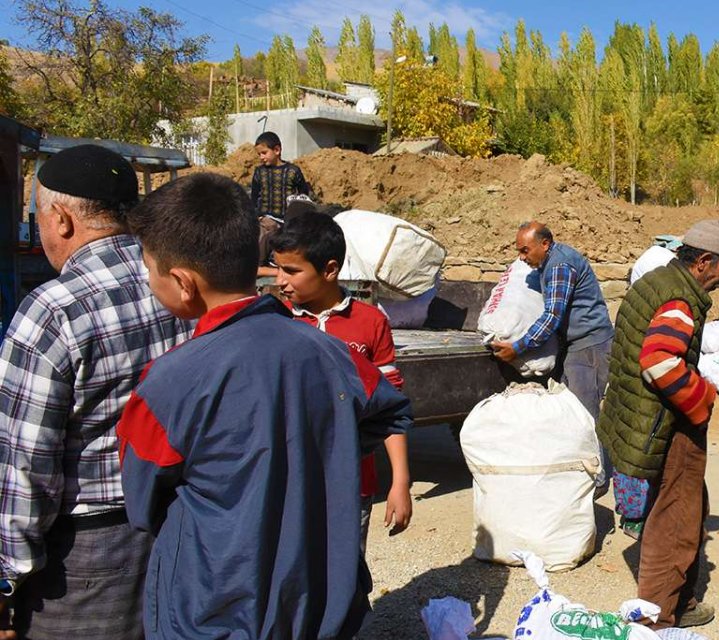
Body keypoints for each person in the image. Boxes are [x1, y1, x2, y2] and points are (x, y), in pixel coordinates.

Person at [116, 173, 413, 639]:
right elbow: (391, 409)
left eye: (149, 269)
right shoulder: (332, 355)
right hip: (318, 606)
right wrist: (322, 455)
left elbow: (142, 502)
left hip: (215, 609)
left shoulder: (169, 382)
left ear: (182, 282)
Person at [0, 144, 191, 639]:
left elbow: (24, 464)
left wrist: (8, 576)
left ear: (61, 218)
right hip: (177, 527)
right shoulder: (183, 286)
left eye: (38, 217)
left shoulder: (54, 309)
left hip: (84, 561)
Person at [596, 219, 719, 629]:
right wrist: (703, 400)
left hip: (646, 416)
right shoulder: (679, 299)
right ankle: (657, 618)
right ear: (703, 262)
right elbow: (659, 361)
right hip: (667, 422)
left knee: (687, 509)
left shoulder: (658, 278)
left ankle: (681, 599)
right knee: (675, 520)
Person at [270, 211, 413, 545]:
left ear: (330, 270)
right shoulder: (273, 321)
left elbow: (388, 409)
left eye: (291, 271)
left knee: (346, 575)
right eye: (277, 268)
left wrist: (400, 481)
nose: (279, 280)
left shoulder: (370, 322)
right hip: (287, 485)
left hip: (352, 483)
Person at [490, 222, 614, 418]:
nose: (521, 258)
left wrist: (518, 347)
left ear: (545, 244)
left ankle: (596, 449)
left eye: (525, 251)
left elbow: (552, 316)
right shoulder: (547, 263)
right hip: (574, 344)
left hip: (589, 347)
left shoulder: (560, 266)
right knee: (567, 411)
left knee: (583, 415)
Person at [250, 132, 310, 277]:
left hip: (288, 221)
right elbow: (254, 196)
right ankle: (257, 267)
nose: (261, 157)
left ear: (277, 150)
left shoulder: (293, 171)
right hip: (266, 219)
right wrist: (256, 216)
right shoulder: (260, 173)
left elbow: (303, 194)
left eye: (264, 153)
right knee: (263, 237)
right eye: (259, 154)